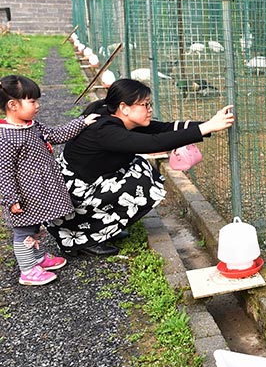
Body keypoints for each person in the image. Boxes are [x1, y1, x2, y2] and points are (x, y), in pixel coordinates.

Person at [46, 78, 235, 257]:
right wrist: (207, 127)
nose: (150, 109)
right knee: (141, 179)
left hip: (79, 188)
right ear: (124, 108)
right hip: (68, 202)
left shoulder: (113, 117)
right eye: (145, 105)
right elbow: (154, 143)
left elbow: (163, 129)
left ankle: (102, 227)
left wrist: (210, 124)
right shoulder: (106, 130)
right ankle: (85, 238)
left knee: (138, 168)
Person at [0, 75, 100, 285]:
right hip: (24, 195)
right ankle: (28, 271)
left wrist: (82, 122)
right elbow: (4, 172)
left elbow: (57, 134)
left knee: (35, 226)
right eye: (32, 101)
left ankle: (37, 258)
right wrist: (11, 199)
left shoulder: (32, 126)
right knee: (23, 231)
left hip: (39, 192)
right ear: (12, 105)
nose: (38, 105)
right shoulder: (6, 137)